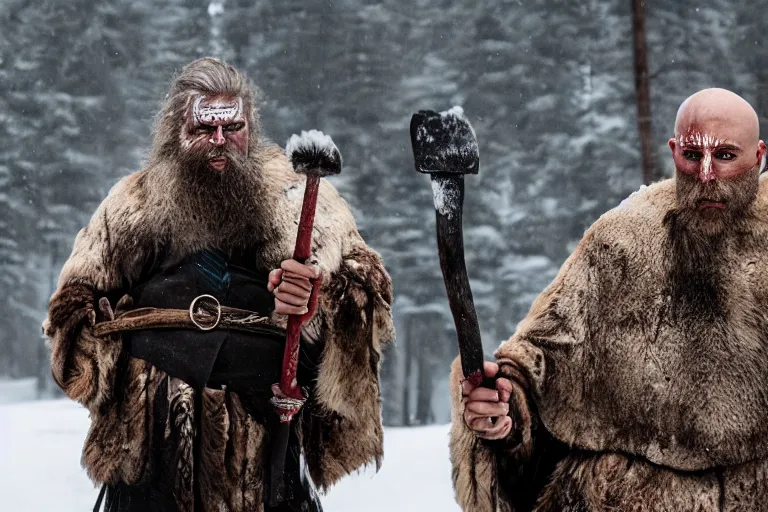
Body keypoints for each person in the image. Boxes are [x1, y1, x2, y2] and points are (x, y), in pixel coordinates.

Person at [43, 57, 394, 512]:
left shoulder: (301, 199)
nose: (220, 142)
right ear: (176, 132)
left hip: (266, 441)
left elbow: (366, 295)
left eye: (233, 127)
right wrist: (122, 365)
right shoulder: (131, 203)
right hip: (152, 444)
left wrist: (315, 304)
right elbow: (71, 314)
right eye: (203, 130)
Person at [450, 87, 768, 511]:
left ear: (759, 155)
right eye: (692, 155)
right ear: (674, 150)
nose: (706, 174)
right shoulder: (621, 240)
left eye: (726, 156)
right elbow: (537, 363)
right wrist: (502, 409)